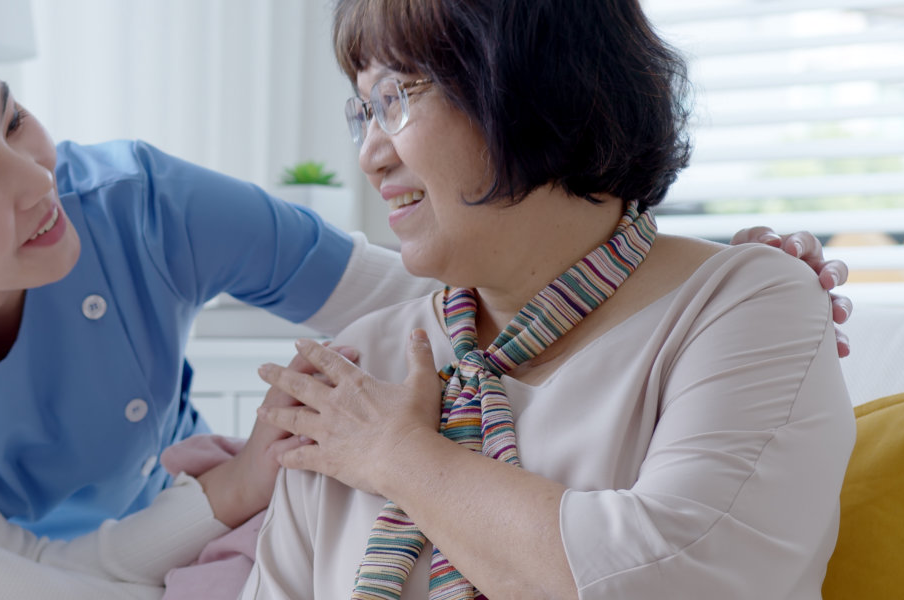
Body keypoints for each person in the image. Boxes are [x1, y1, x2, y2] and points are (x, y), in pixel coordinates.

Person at [0, 11, 855, 599]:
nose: (41, 180)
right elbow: (25, 565)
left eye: (14, 120)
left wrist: (702, 270)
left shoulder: (141, 207)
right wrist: (247, 483)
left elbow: (457, 290)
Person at [242, 2, 857, 599]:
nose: (371, 156)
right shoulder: (357, 367)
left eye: (396, 98)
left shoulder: (744, 305)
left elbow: (672, 578)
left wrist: (397, 456)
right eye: (364, 111)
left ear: (533, 85)